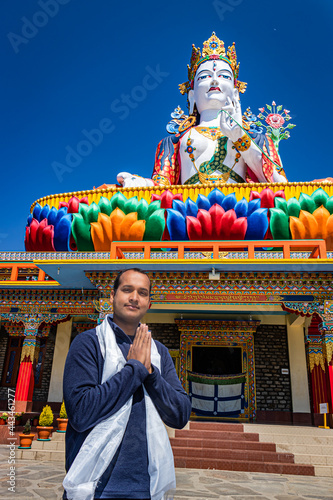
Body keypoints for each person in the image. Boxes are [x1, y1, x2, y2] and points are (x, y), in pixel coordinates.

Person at [62, 268, 191, 500]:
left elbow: (180, 414)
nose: (134, 297)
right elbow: (80, 413)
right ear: (111, 297)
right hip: (95, 486)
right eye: (127, 289)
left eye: (143, 292)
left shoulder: (158, 352)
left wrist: (151, 373)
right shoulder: (89, 343)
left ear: (149, 303)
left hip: (146, 485)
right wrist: (134, 369)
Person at [117, 33, 287, 188]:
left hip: (243, 212)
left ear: (236, 94)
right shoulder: (173, 143)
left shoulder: (257, 140)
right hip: (187, 212)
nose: (214, 81)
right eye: (204, 76)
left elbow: (280, 184)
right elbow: (161, 186)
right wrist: (140, 183)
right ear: (191, 96)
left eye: (224, 76)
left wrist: (239, 136)